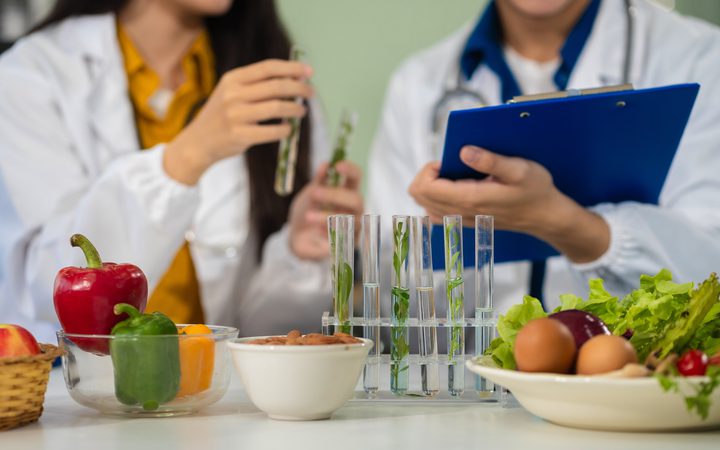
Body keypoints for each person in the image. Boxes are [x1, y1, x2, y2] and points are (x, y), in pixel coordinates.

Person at [0, 0, 364, 342]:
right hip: (76, 394)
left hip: (213, 395)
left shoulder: (269, 82)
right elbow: (48, 291)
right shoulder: (33, 74)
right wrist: (185, 159)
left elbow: (250, 332)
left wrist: (297, 255)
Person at [368, 0, 720, 315]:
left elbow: (709, 272)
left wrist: (566, 225)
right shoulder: (417, 85)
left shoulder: (700, 58)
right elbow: (393, 298)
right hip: (475, 382)